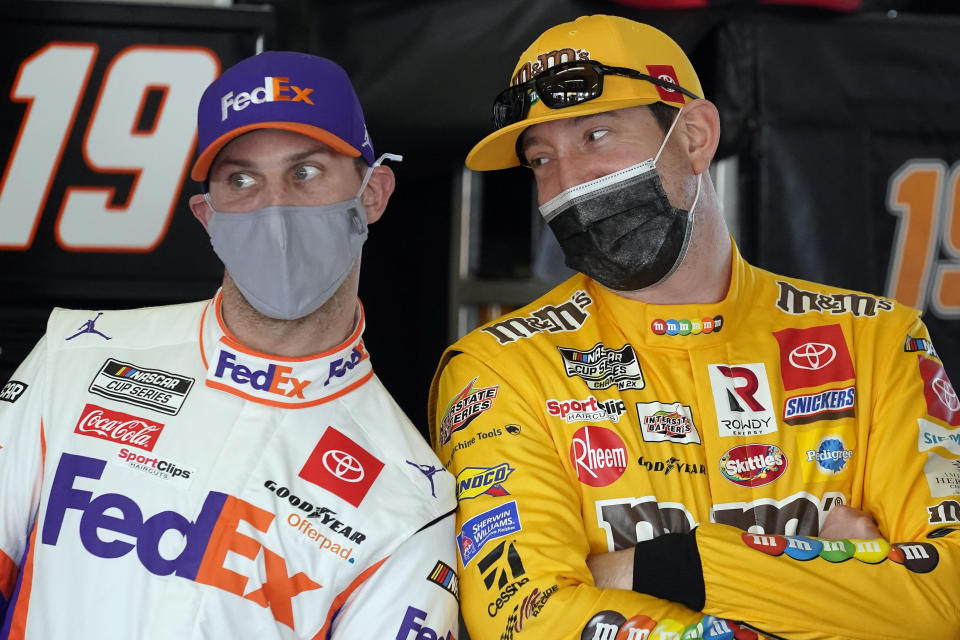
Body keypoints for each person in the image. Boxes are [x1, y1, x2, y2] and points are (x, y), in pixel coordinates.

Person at [429, 14, 959, 640]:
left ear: (696, 136)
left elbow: (945, 596)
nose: (567, 183)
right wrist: (829, 575)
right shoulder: (498, 370)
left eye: (596, 135)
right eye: (541, 160)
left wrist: (651, 570)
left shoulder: (878, 340)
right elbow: (528, 620)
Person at [0, 51, 458, 639]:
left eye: (306, 171)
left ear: (373, 193)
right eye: (241, 179)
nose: (275, 208)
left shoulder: (411, 503)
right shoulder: (75, 355)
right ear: (206, 215)